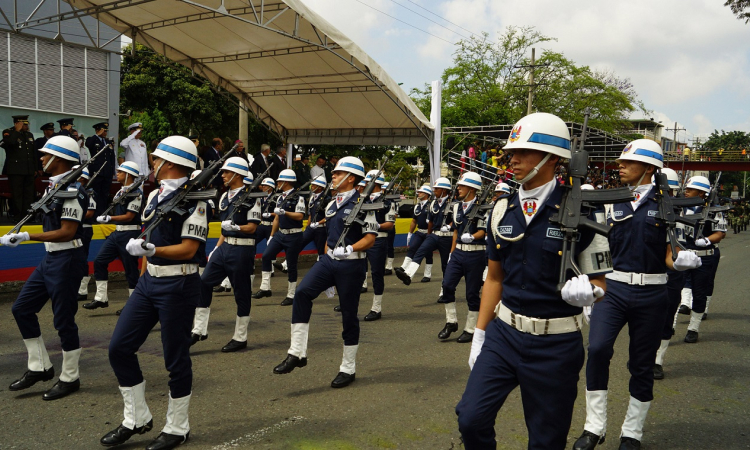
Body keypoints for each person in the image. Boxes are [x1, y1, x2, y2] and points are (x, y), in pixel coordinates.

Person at [455, 112, 612, 450]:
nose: (513, 159)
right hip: (504, 335)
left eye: (524, 151)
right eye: (512, 152)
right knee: (470, 418)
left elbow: (600, 284)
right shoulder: (501, 208)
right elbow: (494, 278)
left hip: (555, 345)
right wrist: (480, 334)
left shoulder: (584, 211)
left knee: (546, 440)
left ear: (552, 158)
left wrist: (589, 293)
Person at [573, 139, 701, 450]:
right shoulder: (610, 200)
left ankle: (632, 432)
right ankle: (594, 427)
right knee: (599, 349)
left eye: (628, 162)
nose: (620, 165)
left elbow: (672, 253)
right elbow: (597, 248)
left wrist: (681, 260)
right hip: (613, 290)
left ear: (648, 168)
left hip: (653, 292)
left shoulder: (668, 205)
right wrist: (595, 286)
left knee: (641, 364)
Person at [100, 135, 206, 449]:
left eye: (157, 158)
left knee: (175, 359)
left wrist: (152, 248)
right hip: (150, 282)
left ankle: (177, 427)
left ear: (171, 163)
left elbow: (189, 250)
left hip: (180, 283)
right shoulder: (154, 197)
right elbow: (148, 241)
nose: (153, 164)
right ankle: (137, 418)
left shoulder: (196, 201)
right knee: (119, 348)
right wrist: (146, 266)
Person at [272, 156, 378, 388]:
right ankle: (297, 353)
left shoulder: (365, 203)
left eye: (338, 174)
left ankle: (348, 368)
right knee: (302, 293)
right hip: (329, 262)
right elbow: (331, 236)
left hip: (352, 264)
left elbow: (370, 238)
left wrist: (350, 248)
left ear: (351, 178)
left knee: (349, 315)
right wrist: (329, 258)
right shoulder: (331, 203)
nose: (334, 176)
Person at [2, 136, 88, 401]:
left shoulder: (74, 191)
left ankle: (70, 377)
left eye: (45, 154)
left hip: (67, 260)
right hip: (51, 259)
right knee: (22, 309)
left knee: (63, 320)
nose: (41, 158)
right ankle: (39, 367)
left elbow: (66, 232)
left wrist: (28, 236)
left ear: (59, 159)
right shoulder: (55, 187)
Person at [192, 157, 261, 352]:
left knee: (241, 293)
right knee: (204, 282)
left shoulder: (252, 197)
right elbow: (224, 228)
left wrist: (237, 226)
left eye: (226, 173)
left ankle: (240, 337)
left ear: (237, 174)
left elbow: (252, 227)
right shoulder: (224, 197)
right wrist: (217, 247)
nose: (223, 176)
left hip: (242, 248)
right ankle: (199, 329)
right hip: (225, 247)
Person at [83, 162, 143, 313]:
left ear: (129, 174)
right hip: (117, 233)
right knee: (99, 261)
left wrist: (110, 218)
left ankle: (133, 304)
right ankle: (101, 297)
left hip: (130, 233)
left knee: (131, 270)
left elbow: (130, 216)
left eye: (121, 172)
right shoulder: (120, 192)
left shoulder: (137, 193)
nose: (117, 174)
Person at [435, 171, 486, 343]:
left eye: (463, 186)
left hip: (476, 254)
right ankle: (451, 322)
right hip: (458, 252)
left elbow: (483, 231)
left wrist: (473, 236)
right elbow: (456, 231)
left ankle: (470, 328)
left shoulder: (484, 206)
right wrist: (451, 253)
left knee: (472, 293)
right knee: (447, 285)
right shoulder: (456, 206)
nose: (459, 189)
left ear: (472, 188)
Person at [676, 175, 726, 343]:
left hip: (704, 257)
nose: (686, 192)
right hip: (684, 254)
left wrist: (707, 240)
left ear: (702, 192)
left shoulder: (713, 209)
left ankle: (693, 327)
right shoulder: (681, 208)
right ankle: (670, 326)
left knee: (699, 293)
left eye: (690, 189)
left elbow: (720, 233)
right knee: (676, 290)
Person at [396, 177, 454, 302]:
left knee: (445, 265)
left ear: (444, 190)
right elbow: (431, 221)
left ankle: (444, 291)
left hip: (447, 237)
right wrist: (428, 235)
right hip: (434, 234)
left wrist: (449, 226)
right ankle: (408, 274)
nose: (435, 191)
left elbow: (457, 221)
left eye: (437, 188)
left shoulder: (454, 203)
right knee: (420, 251)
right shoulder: (433, 203)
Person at [254, 169, 306, 305]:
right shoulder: (280, 197)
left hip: (294, 235)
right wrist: (272, 236)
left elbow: (300, 216)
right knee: (266, 256)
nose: (277, 183)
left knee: (292, 265)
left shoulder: (298, 197)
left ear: (286, 182)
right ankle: (265, 288)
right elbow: (277, 218)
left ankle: (291, 294)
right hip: (280, 234)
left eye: (279, 181)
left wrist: (285, 212)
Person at [361, 170, 396, 321]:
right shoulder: (362, 199)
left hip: (378, 239)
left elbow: (389, 224)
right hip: (361, 239)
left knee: (376, 274)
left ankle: (376, 308)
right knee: (356, 270)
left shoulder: (387, 201)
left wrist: (375, 226)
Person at [2, 115, 37, 219]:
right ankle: (17, 216)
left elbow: (33, 152)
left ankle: (27, 216)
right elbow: (10, 143)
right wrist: (16, 131)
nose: (26, 126)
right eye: (24, 124)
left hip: (29, 169)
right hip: (16, 170)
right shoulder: (8, 132)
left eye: (26, 124)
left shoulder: (29, 135)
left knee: (29, 194)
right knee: (17, 195)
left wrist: (35, 168)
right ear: (17, 123)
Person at [400, 184, 434, 282]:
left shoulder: (431, 205)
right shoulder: (417, 206)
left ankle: (427, 275)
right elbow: (414, 221)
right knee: (412, 249)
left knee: (428, 254)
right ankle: (403, 268)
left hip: (429, 233)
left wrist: (429, 234)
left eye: (420, 192)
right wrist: (410, 233)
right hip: (419, 232)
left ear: (427, 194)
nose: (418, 194)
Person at [75, 166, 98, 302]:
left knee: (82, 259)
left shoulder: (88, 192)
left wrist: (74, 218)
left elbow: (90, 212)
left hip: (84, 228)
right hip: (77, 228)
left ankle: (82, 290)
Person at [85, 122, 116, 215]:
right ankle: (94, 214)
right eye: (104, 131)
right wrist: (97, 135)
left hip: (106, 173)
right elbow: (88, 144)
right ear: (98, 130)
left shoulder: (107, 142)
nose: (105, 133)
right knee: (95, 194)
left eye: (106, 131)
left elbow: (112, 157)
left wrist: (112, 170)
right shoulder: (92, 139)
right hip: (96, 172)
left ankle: (102, 213)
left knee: (104, 194)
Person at [300, 175, 330, 260]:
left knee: (321, 250)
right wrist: (307, 227)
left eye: (314, 185)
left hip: (321, 229)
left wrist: (318, 223)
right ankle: (287, 263)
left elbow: (328, 217)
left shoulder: (326, 200)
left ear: (320, 187)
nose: (311, 187)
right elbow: (310, 214)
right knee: (299, 244)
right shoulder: (312, 197)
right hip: (311, 227)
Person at [382, 181, 398, 275]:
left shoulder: (393, 201)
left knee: (389, 247)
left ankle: (389, 266)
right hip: (380, 227)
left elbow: (395, 215)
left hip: (390, 226)